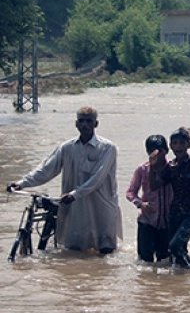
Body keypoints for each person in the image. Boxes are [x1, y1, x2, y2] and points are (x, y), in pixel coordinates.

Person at [6, 106, 122, 254]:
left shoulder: (107, 148)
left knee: (105, 251)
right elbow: (46, 170)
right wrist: (21, 183)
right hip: (75, 207)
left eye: (89, 121)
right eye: (81, 121)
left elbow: (97, 178)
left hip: (101, 207)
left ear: (96, 124)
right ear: (76, 124)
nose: (85, 125)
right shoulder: (67, 148)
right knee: (74, 251)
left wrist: (74, 194)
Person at [151, 127, 190, 269]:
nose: (178, 146)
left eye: (182, 143)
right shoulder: (171, 166)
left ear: (188, 145)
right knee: (176, 250)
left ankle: (189, 272)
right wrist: (152, 166)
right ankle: (183, 279)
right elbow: (154, 185)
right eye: (175, 143)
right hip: (175, 213)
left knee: (175, 246)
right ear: (171, 146)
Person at [126, 135, 174, 264]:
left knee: (165, 261)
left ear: (166, 150)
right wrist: (141, 204)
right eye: (152, 150)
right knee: (145, 263)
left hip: (167, 222)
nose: (156, 154)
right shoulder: (142, 169)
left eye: (160, 150)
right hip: (147, 221)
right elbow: (130, 193)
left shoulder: (172, 168)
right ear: (147, 152)